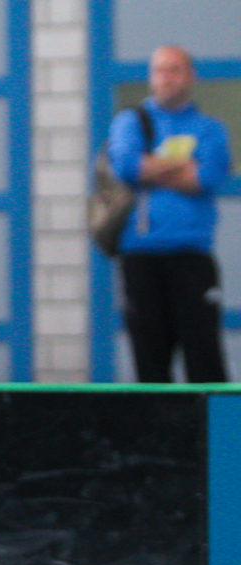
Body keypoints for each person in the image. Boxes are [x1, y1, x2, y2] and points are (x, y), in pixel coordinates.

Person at [108, 44, 232, 383]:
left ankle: (211, 434)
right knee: (150, 360)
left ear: (190, 77)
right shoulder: (131, 122)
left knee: (204, 356)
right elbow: (127, 166)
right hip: (141, 257)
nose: (166, 78)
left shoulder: (210, 129)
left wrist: (154, 167)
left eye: (174, 69)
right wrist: (183, 164)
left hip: (192, 256)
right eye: (159, 70)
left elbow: (207, 176)